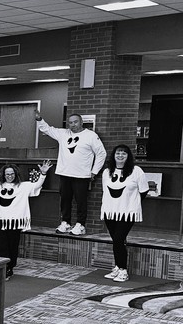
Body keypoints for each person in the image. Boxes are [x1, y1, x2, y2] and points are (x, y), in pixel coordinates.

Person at [0, 153, 51, 279]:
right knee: (2, 246)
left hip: (15, 222)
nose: (10, 176)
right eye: (7, 174)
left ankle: (9, 268)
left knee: (12, 246)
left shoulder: (23, 186)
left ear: (16, 175)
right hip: (0, 222)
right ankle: (2, 270)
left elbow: (37, 185)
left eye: (12, 174)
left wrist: (43, 174)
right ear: (3, 175)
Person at [35, 110, 106, 236]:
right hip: (65, 173)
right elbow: (47, 129)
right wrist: (40, 119)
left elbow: (101, 154)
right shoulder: (63, 134)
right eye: (70, 123)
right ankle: (65, 222)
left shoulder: (91, 135)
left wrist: (94, 172)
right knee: (65, 200)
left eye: (75, 122)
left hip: (82, 175)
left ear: (81, 122)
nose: (73, 125)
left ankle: (80, 224)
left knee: (81, 201)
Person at [99, 144, 154, 282]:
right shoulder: (107, 172)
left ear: (128, 156)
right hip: (110, 211)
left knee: (118, 239)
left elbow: (144, 191)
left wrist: (131, 203)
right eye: (118, 153)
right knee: (117, 241)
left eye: (124, 153)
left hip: (127, 212)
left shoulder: (136, 171)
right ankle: (118, 266)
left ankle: (123, 270)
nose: (120, 156)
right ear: (114, 155)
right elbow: (105, 191)